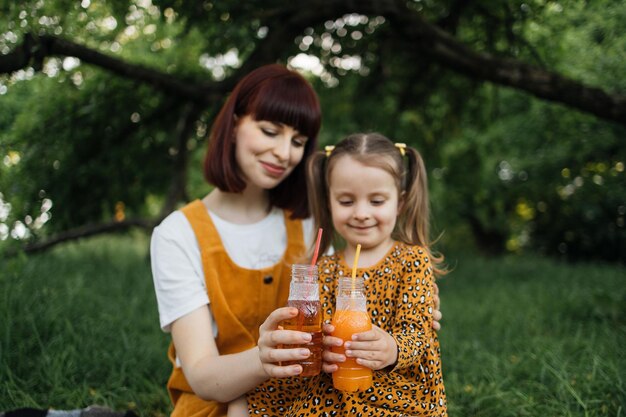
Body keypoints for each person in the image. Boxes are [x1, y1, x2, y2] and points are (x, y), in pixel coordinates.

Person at [150, 65, 442, 417]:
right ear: (233, 125)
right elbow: (201, 375)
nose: (284, 152)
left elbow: (359, 301)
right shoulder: (178, 234)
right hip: (221, 398)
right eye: (270, 131)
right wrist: (264, 359)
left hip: (306, 393)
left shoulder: (311, 226)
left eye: (298, 141)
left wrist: (411, 319)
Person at [248, 133, 447, 416]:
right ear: (329, 202)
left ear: (399, 203)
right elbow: (318, 332)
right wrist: (323, 347)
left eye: (377, 201)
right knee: (254, 396)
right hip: (333, 390)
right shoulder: (325, 269)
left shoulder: (412, 260)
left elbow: (418, 331)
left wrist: (392, 348)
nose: (361, 213)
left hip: (396, 391)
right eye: (346, 201)